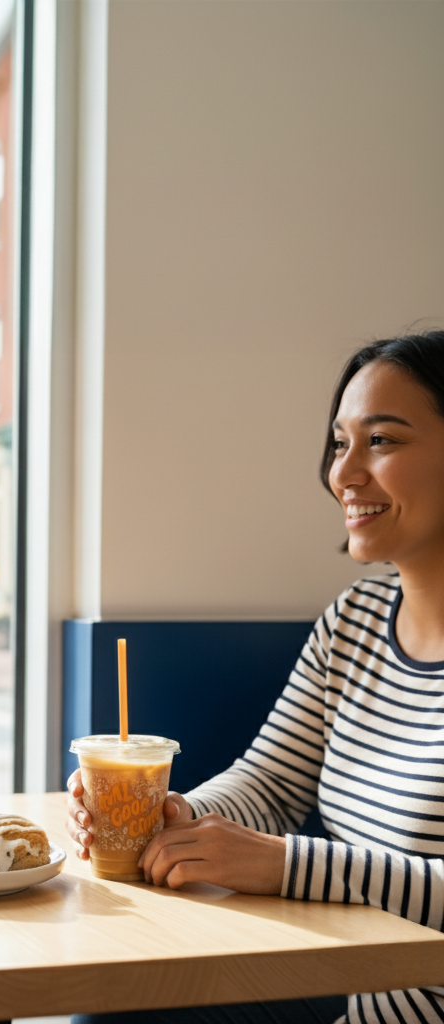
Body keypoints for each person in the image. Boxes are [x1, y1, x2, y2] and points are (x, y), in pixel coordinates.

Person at [67, 330, 444, 1024]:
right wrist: (171, 819)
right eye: (340, 443)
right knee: (115, 1007)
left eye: (382, 441)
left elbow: (285, 855)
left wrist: (288, 865)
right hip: (358, 1007)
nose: (344, 473)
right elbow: (270, 782)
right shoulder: (355, 620)